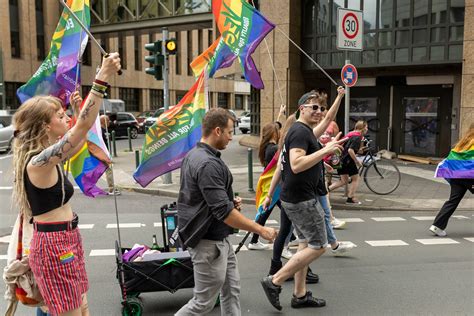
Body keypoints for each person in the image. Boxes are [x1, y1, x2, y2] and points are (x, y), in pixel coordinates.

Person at [12, 53, 121, 316]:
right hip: (54, 245)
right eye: (60, 116)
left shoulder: (49, 156)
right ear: (43, 126)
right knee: (71, 312)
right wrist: (102, 77)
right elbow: (81, 129)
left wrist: (75, 112)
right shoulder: (38, 162)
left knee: (79, 308)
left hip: (66, 239)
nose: (66, 120)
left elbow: (80, 138)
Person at [175, 108, 278, 316]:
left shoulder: (194, 155)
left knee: (231, 290)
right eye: (230, 131)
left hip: (217, 239)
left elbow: (200, 198)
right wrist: (261, 230)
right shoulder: (207, 163)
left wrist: (228, 201)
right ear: (217, 131)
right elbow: (225, 214)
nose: (232, 136)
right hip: (209, 242)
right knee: (203, 303)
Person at [260, 87, 346, 311]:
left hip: (294, 198)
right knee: (319, 246)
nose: (319, 112)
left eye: (321, 108)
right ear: (301, 109)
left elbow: (328, 119)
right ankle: (275, 280)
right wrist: (325, 150)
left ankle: (299, 295)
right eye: (314, 107)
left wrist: (339, 97)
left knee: (305, 243)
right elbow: (296, 165)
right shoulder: (300, 132)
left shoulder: (304, 130)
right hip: (302, 200)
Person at [430, 124, 474, 237]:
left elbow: (451, 158)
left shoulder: (462, 143)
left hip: (456, 176)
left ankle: (437, 226)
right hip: (469, 177)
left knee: (453, 201)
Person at [248, 122, 281, 250]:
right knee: (264, 213)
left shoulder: (266, 147)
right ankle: (254, 241)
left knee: (279, 212)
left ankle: (291, 238)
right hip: (274, 185)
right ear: (274, 133)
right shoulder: (273, 149)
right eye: (277, 131)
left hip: (272, 184)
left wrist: (279, 116)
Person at [328, 120, 368, 204]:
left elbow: (348, 148)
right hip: (347, 161)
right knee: (356, 178)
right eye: (366, 127)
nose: (367, 129)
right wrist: (357, 162)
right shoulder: (357, 137)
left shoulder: (351, 134)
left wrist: (360, 150)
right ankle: (350, 198)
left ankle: (324, 191)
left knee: (344, 181)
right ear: (362, 128)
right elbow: (350, 150)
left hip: (339, 159)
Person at [100, 114, 120, 195]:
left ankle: (86, 185)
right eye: (107, 120)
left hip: (106, 153)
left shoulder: (105, 130)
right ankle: (111, 189)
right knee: (109, 170)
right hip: (103, 154)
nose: (109, 122)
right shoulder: (100, 131)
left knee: (96, 170)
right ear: (103, 121)